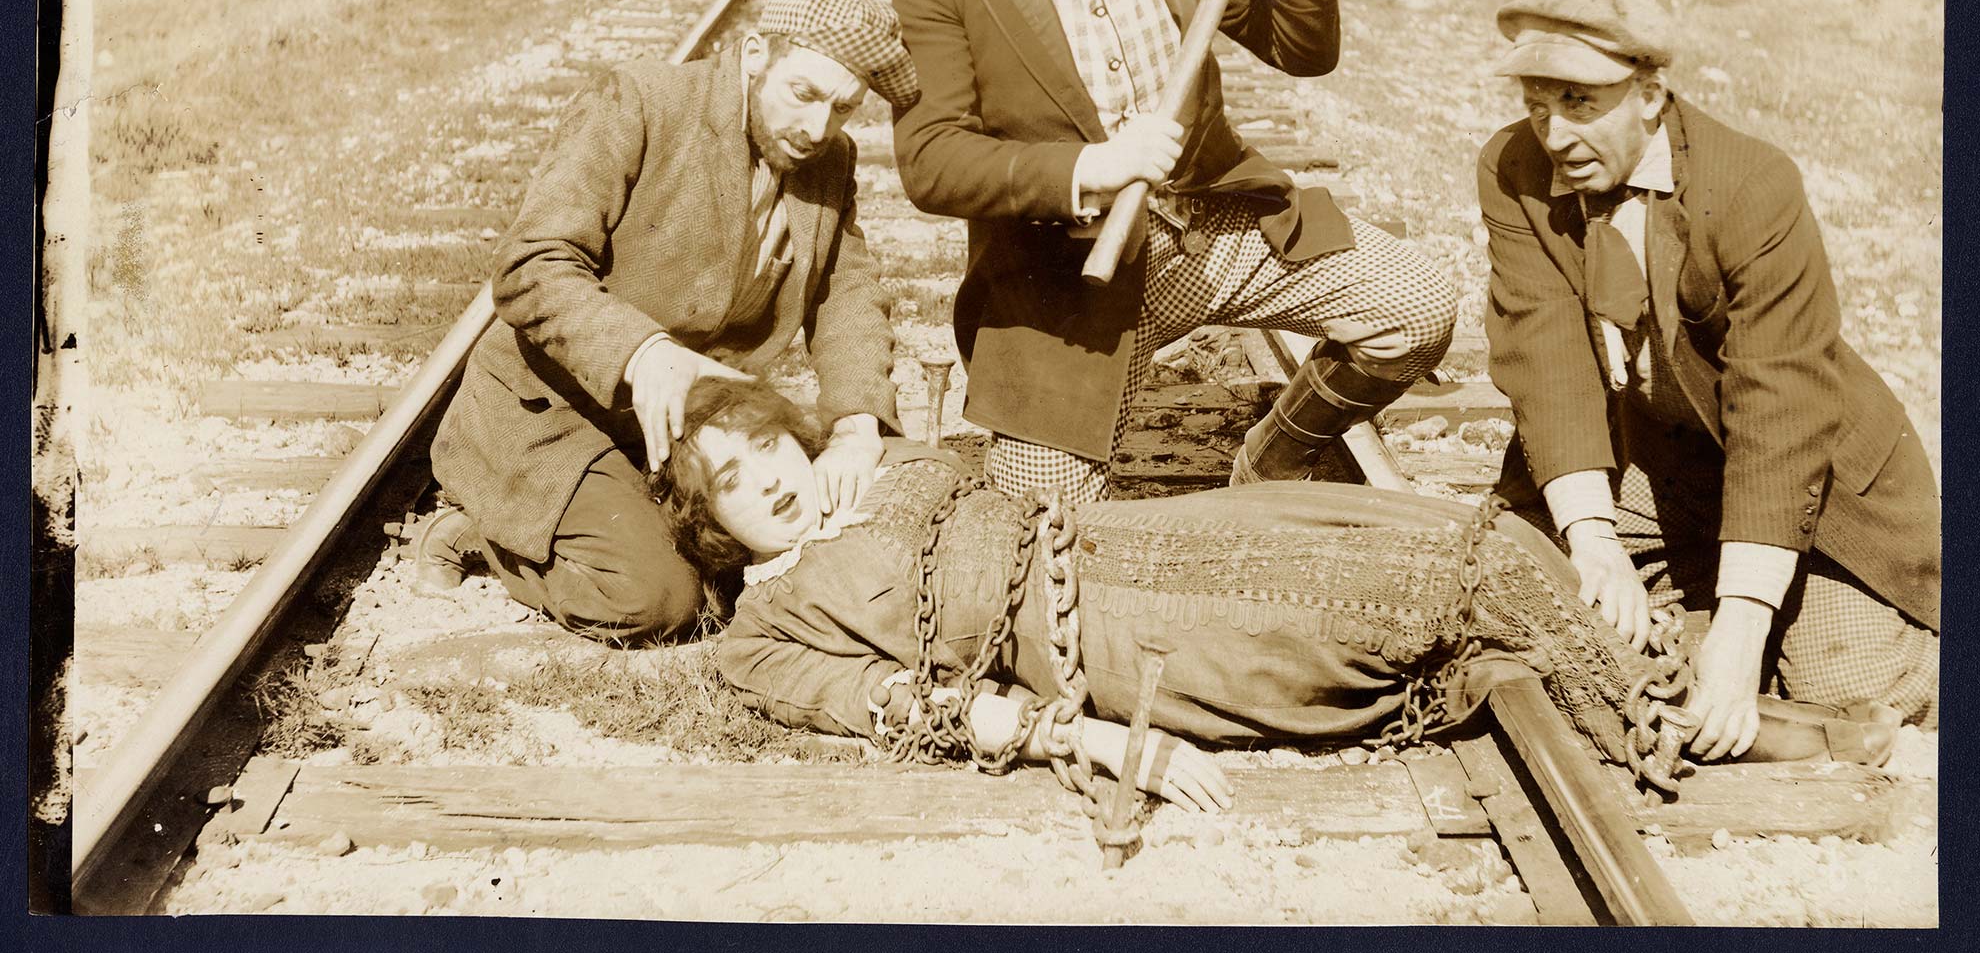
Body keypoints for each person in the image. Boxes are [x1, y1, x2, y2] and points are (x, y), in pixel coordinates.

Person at [891, 0, 1458, 502]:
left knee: (1419, 304)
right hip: (1071, 279)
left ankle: (1275, 456)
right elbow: (931, 160)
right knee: (1040, 526)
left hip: (1221, 232)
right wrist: (1093, 167)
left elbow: (1299, 51)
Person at [659, 378, 1660, 809]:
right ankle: (1650, 721)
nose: (771, 482)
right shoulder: (762, 634)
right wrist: (1096, 743)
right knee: (1420, 590)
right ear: (713, 525)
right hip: (1104, 635)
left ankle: (1630, 678)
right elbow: (909, 707)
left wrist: (859, 443)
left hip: (1122, 537)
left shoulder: (872, 467)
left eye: (768, 446)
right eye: (733, 482)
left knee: (1426, 536)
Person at [1478, 0, 1940, 761]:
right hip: (1658, 459)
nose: (1554, 133)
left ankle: (1755, 612)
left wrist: (1743, 622)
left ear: (1650, 95)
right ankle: (1701, 610)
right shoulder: (1511, 166)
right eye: (1537, 104)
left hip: (1807, 472)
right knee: (1536, 589)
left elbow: (1780, 410)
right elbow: (1542, 349)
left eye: (1580, 102)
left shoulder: (1753, 184)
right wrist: (1593, 539)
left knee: (1841, 682)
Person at [418, 0, 918, 643]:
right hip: (559, 413)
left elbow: (844, 291)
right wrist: (643, 352)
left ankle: (639, 519)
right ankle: (485, 530)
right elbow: (530, 264)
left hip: (696, 426)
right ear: (754, 54)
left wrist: (857, 424)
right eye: (803, 93)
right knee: (661, 602)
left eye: (843, 108)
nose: (817, 127)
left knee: (854, 512)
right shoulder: (638, 102)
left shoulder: (829, 157)